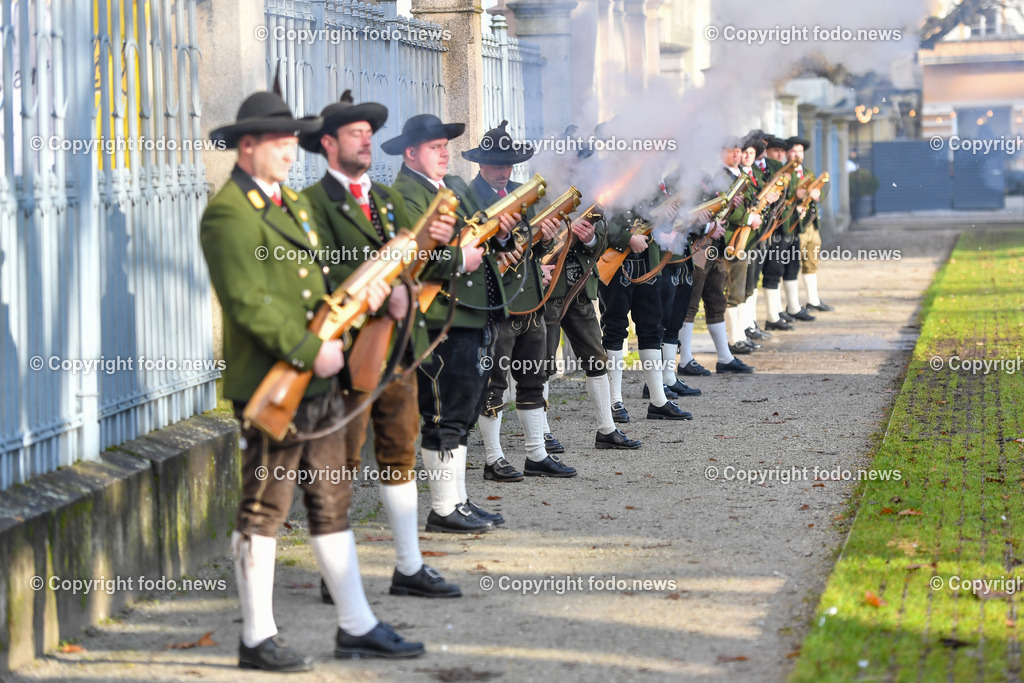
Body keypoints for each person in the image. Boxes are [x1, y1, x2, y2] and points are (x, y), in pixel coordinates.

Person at [202, 87, 422, 671]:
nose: (288, 150)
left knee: (331, 500)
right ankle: (257, 637)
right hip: (274, 382)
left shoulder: (292, 205)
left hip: (319, 381)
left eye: (290, 141)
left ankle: (356, 625)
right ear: (247, 147)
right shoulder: (228, 213)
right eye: (278, 141)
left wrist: (363, 299)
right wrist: (309, 349)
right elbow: (246, 302)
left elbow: (318, 284)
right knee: (264, 509)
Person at [300, 91, 461, 598]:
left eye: (369, 133)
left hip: (398, 346)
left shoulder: (388, 201)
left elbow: (415, 266)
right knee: (342, 459)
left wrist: (432, 250)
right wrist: (370, 294)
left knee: (400, 451)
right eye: (355, 133)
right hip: (346, 350)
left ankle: (409, 565)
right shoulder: (311, 206)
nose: (366, 141)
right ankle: (335, 572)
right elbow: (310, 275)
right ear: (329, 144)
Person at [385, 114, 517, 533]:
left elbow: (484, 228)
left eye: (445, 146)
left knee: (464, 410)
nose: (444, 154)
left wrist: (502, 234)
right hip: (441, 316)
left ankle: (457, 499)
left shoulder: (455, 185)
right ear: (410, 153)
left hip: (474, 310)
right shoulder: (404, 195)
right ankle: (443, 508)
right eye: (434, 148)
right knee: (443, 412)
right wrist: (460, 259)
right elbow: (411, 256)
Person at [464, 121, 580, 480]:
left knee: (534, 378)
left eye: (509, 164)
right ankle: (494, 458)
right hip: (494, 302)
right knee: (494, 382)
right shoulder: (468, 200)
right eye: (497, 164)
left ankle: (536, 453)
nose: (504, 171)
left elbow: (535, 251)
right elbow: (466, 253)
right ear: (481, 163)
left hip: (530, 298)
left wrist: (544, 239)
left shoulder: (522, 195)